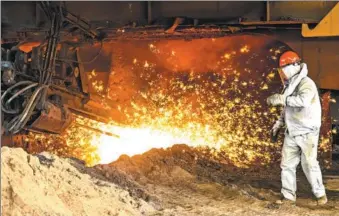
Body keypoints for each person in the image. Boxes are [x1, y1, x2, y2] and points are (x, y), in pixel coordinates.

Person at [267, 50, 327, 205]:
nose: (283, 72)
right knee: (287, 165)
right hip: (292, 131)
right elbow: (286, 108)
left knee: (309, 164)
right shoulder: (290, 85)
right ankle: (288, 196)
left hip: (307, 132)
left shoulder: (306, 83)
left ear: (294, 65)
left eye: (284, 68)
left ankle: (320, 195)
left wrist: (281, 98)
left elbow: (303, 101)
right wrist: (278, 125)